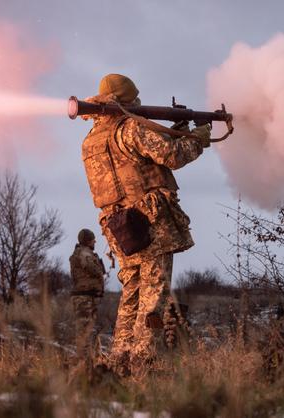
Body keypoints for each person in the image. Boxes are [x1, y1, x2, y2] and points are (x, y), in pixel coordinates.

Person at [80, 73, 211, 375]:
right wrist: (198, 140)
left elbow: (134, 163)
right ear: (127, 99)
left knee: (132, 293)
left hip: (117, 226)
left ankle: (120, 360)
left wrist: (174, 132)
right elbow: (172, 156)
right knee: (155, 293)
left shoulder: (91, 140)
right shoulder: (130, 128)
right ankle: (144, 362)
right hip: (149, 221)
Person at [69, 228, 106, 368]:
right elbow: (90, 267)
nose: (95, 241)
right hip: (83, 298)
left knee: (87, 330)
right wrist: (98, 267)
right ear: (88, 241)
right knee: (84, 331)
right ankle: (83, 364)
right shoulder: (84, 253)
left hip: (86, 297)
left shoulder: (81, 252)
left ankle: (88, 362)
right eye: (93, 239)